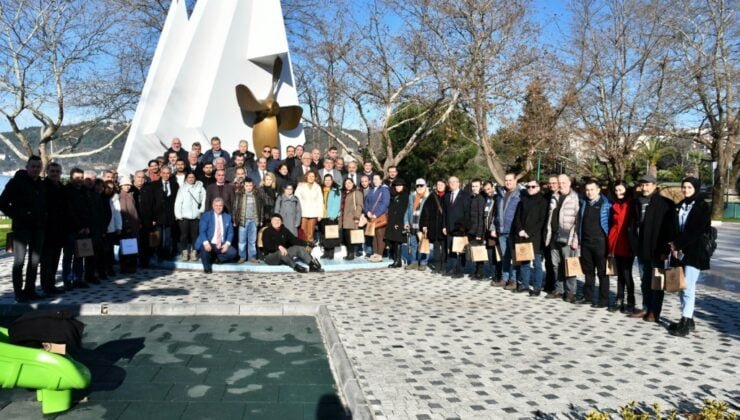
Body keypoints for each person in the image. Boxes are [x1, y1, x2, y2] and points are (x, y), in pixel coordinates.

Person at [628, 174, 676, 323]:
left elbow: (669, 229)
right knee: (644, 280)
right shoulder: (637, 202)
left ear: (655, 186)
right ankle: (646, 307)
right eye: (642, 184)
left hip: (657, 249)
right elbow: (632, 225)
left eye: (648, 184)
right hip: (642, 249)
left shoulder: (665, 203)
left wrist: (665, 250)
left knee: (656, 282)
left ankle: (654, 311)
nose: (645, 187)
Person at [667, 177, 711, 337]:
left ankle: (685, 320)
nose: (685, 190)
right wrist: (672, 243)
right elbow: (674, 227)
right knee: (680, 285)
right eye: (684, 187)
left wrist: (678, 243)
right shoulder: (681, 205)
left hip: (694, 252)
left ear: (696, 188)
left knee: (688, 286)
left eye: (689, 187)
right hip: (679, 251)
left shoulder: (702, 206)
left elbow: (696, 230)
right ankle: (688, 318)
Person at [0, 156, 46, 302]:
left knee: (34, 261)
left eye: (38, 167)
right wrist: (19, 215)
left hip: (38, 228)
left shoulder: (41, 184)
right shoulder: (16, 183)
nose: (35, 169)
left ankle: (30, 290)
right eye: (33, 166)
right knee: (19, 261)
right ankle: (19, 293)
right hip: (22, 228)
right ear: (27, 167)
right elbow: (2, 203)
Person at [576, 179, 611, 307]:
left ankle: (603, 300)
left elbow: (609, 224)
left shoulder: (605, 204)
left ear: (598, 190)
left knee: (602, 273)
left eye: (592, 190)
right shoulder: (584, 203)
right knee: (588, 272)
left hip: (600, 243)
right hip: (585, 242)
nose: (589, 192)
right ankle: (588, 297)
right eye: (587, 190)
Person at [545, 174, 580, 302]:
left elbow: (578, 221)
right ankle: (559, 289)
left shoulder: (575, 198)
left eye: (564, 182)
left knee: (569, 265)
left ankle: (571, 292)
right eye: (559, 182)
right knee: (555, 265)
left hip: (568, 237)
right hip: (554, 236)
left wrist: (575, 239)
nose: (561, 185)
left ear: (569, 183)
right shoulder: (555, 196)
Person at [511, 180, 549, 295]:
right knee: (524, 262)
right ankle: (525, 284)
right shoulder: (523, 200)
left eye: (533, 186)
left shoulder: (543, 202)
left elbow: (542, 221)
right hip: (522, 236)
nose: (530, 188)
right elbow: (517, 217)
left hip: (536, 237)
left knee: (537, 264)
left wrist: (529, 232)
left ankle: (537, 287)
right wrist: (520, 230)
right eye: (528, 186)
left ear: (538, 187)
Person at [607, 181, 636, 313]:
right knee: (619, 274)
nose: (618, 193)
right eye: (616, 190)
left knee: (627, 273)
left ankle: (631, 300)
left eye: (621, 190)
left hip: (627, 242)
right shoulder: (613, 204)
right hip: (616, 241)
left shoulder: (630, 203)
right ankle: (619, 299)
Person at [140, 166, 179, 261]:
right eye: (164, 173)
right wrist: (152, 217)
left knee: (168, 236)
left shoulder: (174, 185)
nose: (166, 175)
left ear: (170, 174)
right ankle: (157, 254)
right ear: (160, 174)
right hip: (157, 215)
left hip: (170, 215)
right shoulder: (154, 185)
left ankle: (166, 254)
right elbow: (151, 202)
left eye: (168, 173)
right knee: (158, 237)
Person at [40, 162, 66, 295]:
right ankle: (46, 286)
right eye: (52, 171)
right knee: (46, 261)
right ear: (47, 172)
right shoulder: (43, 187)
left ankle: (51, 285)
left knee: (55, 259)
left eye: (57, 171)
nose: (55, 173)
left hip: (59, 230)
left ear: (60, 173)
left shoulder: (61, 187)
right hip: (47, 230)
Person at [492, 173, 521, 290]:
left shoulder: (520, 194)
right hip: (502, 231)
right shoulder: (500, 194)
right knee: (505, 256)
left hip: (513, 231)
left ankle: (513, 281)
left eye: (510, 180)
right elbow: (495, 213)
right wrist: (493, 228)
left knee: (514, 257)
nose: (508, 182)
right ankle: (504, 279)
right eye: (506, 180)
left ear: (515, 181)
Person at [62, 168, 91, 289]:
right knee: (68, 257)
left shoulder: (85, 191)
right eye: (77, 178)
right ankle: (68, 280)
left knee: (80, 256)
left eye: (81, 177)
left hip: (84, 229)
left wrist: (87, 226)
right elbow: (69, 211)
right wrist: (79, 226)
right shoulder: (66, 191)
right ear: (71, 178)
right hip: (71, 229)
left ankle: (78, 279)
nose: (79, 180)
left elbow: (89, 210)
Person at [195, 198, 237, 273]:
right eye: (216, 205)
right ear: (213, 206)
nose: (218, 207)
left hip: (221, 243)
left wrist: (227, 244)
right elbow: (202, 231)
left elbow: (230, 233)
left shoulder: (227, 217)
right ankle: (207, 267)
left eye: (220, 206)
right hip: (209, 241)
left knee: (233, 253)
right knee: (204, 250)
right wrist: (206, 243)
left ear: (223, 206)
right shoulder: (206, 216)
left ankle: (217, 258)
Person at [175, 172, 207, 261]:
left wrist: (201, 211)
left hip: (196, 216)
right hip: (184, 216)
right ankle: (184, 252)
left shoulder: (200, 187)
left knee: (195, 235)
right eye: (189, 177)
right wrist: (178, 215)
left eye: (193, 177)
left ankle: (194, 252)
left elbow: (204, 200)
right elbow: (178, 202)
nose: (191, 179)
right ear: (186, 178)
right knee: (184, 235)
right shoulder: (182, 188)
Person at [442, 176, 470, 278]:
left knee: (460, 250)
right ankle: (452, 268)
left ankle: (460, 270)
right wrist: (444, 226)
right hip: (449, 227)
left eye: (454, 182)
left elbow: (467, 212)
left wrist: (464, 227)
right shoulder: (447, 196)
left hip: (460, 228)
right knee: (451, 249)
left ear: (459, 183)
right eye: (450, 182)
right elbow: (445, 213)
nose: (452, 184)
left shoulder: (465, 195)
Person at [234, 177, 265, 263]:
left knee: (252, 240)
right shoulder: (239, 195)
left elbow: (261, 208)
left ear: (253, 185)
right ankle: (242, 256)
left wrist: (261, 219)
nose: (248, 187)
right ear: (244, 186)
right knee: (242, 240)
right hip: (243, 220)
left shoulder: (257, 196)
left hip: (253, 220)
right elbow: (235, 208)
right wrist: (235, 220)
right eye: (247, 185)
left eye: (250, 185)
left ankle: (252, 256)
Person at [420, 179, 446, 273]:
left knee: (444, 248)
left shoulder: (448, 196)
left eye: (441, 184)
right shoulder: (432, 196)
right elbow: (425, 211)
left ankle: (444, 266)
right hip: (434, 227)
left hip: (444, 227)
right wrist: (425, 225)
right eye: (438, 184)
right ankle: (437, 266)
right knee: (436, 248)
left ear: (445, 185)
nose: (439, 186)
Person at [404, 178, 430, 270]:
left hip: (422, 226)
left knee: (423, 244)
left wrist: (427, 225)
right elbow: (408, 210)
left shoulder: (428, 197)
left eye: (421, 185)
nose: (419, 187)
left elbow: (429, 213)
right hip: (413, 225)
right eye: (417, 186)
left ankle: (423, 262)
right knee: (413, 245)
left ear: (425, 186)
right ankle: (414, 262)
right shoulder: (412, 196)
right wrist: (406, 222)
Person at [364, 173, 390, 262]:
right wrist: (367, 211)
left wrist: (376, 214)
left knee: (380, 235)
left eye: (377, 179)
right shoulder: (371, 189)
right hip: (371, 216)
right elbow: (366, 202)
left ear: (381, 180)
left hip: (380, 216)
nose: (375, 181)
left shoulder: (384, 190)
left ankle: (380, 254)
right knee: (373, 235)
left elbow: (385, 203)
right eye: (374, 179)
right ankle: (375, 253)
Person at [385, 178, 409, 268]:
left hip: (398, 222)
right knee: (394, 241)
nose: (398, 187)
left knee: (397, 241)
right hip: (392, 221)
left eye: (400, 185)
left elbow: (402, 211)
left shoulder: (404, 196)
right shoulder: (395, 195)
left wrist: (398, 223)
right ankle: (396, 259)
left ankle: (397, 261)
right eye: (396, 186)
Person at [118, 176, 140, 273]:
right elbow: (124, 212)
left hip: (133, 225)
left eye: (128, 185)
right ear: (121, 186)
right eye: (125, 185)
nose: (127, 187)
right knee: (127, 247)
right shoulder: (122, 196)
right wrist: (127, 226)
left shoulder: (130, 194)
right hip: (128, 226)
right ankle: (126, 266)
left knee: (130, 247)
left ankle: (130, 266)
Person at [542, 175, 560, 293]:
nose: (552, 185)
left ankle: (558, 286)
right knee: (548, 261)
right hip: (547, 233)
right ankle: (549, 284)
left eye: (554, 183)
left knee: (556, 263)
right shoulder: (546, 196)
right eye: (550, 183)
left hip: (557, 233)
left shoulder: (562, 196)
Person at [295, 171, 324, 244]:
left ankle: (310, 249)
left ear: (315, 178)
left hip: (313, 212)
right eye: (309, 176)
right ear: (306, 177)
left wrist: (320, 214)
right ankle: (303, 247)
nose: (311, 178)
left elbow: (320, 201)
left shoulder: (317, 187)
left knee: (310, 233)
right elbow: (297, 198)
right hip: (303, 212)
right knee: (303, 232)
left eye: (313, 176)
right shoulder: (301, 186)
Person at [101, 180, 122, 277]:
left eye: (111, 188)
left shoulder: (115, 198)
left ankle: (110, 268)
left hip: (112, 228)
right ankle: (102, 269)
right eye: (107, 187)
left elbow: (117, 213)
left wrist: (119, 227)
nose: (109, 189)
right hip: (102, 228)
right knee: (102, 251)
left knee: (110, 250)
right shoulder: (100, 197)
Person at [467, 179, 487, 280]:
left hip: (478, 230)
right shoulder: (472, 197)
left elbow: (481, 217)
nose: (474, 188)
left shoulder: (481, 199)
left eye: (476, 186)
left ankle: (480, 273)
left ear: (480, 186)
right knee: (475, 250)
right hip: (471, 229)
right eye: (473, 186)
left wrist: (479, 233)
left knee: (479, 251)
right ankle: (476, 271)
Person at [319, 174, 342, 259]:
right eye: (326, 180)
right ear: (323, 181)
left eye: (329, 180)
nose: (327, 182)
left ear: (332, 181)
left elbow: (338, 203)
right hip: (322, 216)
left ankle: (331, 253)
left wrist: (334, 215)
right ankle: (325, 252)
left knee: (331, 235)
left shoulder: (336, 190)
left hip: (332, 216)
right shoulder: (321, 189)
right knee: (323, 234)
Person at [341, 178, 364, 261]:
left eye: (349, 183)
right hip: (344, 218)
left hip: (352, 218)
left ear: (353, 183)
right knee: (347, 237)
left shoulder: (357, 192)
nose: (348, 185)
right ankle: (349, 253)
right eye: (346, 183)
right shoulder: (344, 193)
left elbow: (359, 205)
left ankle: (351, 254)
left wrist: (357, 217)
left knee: (351, 238)